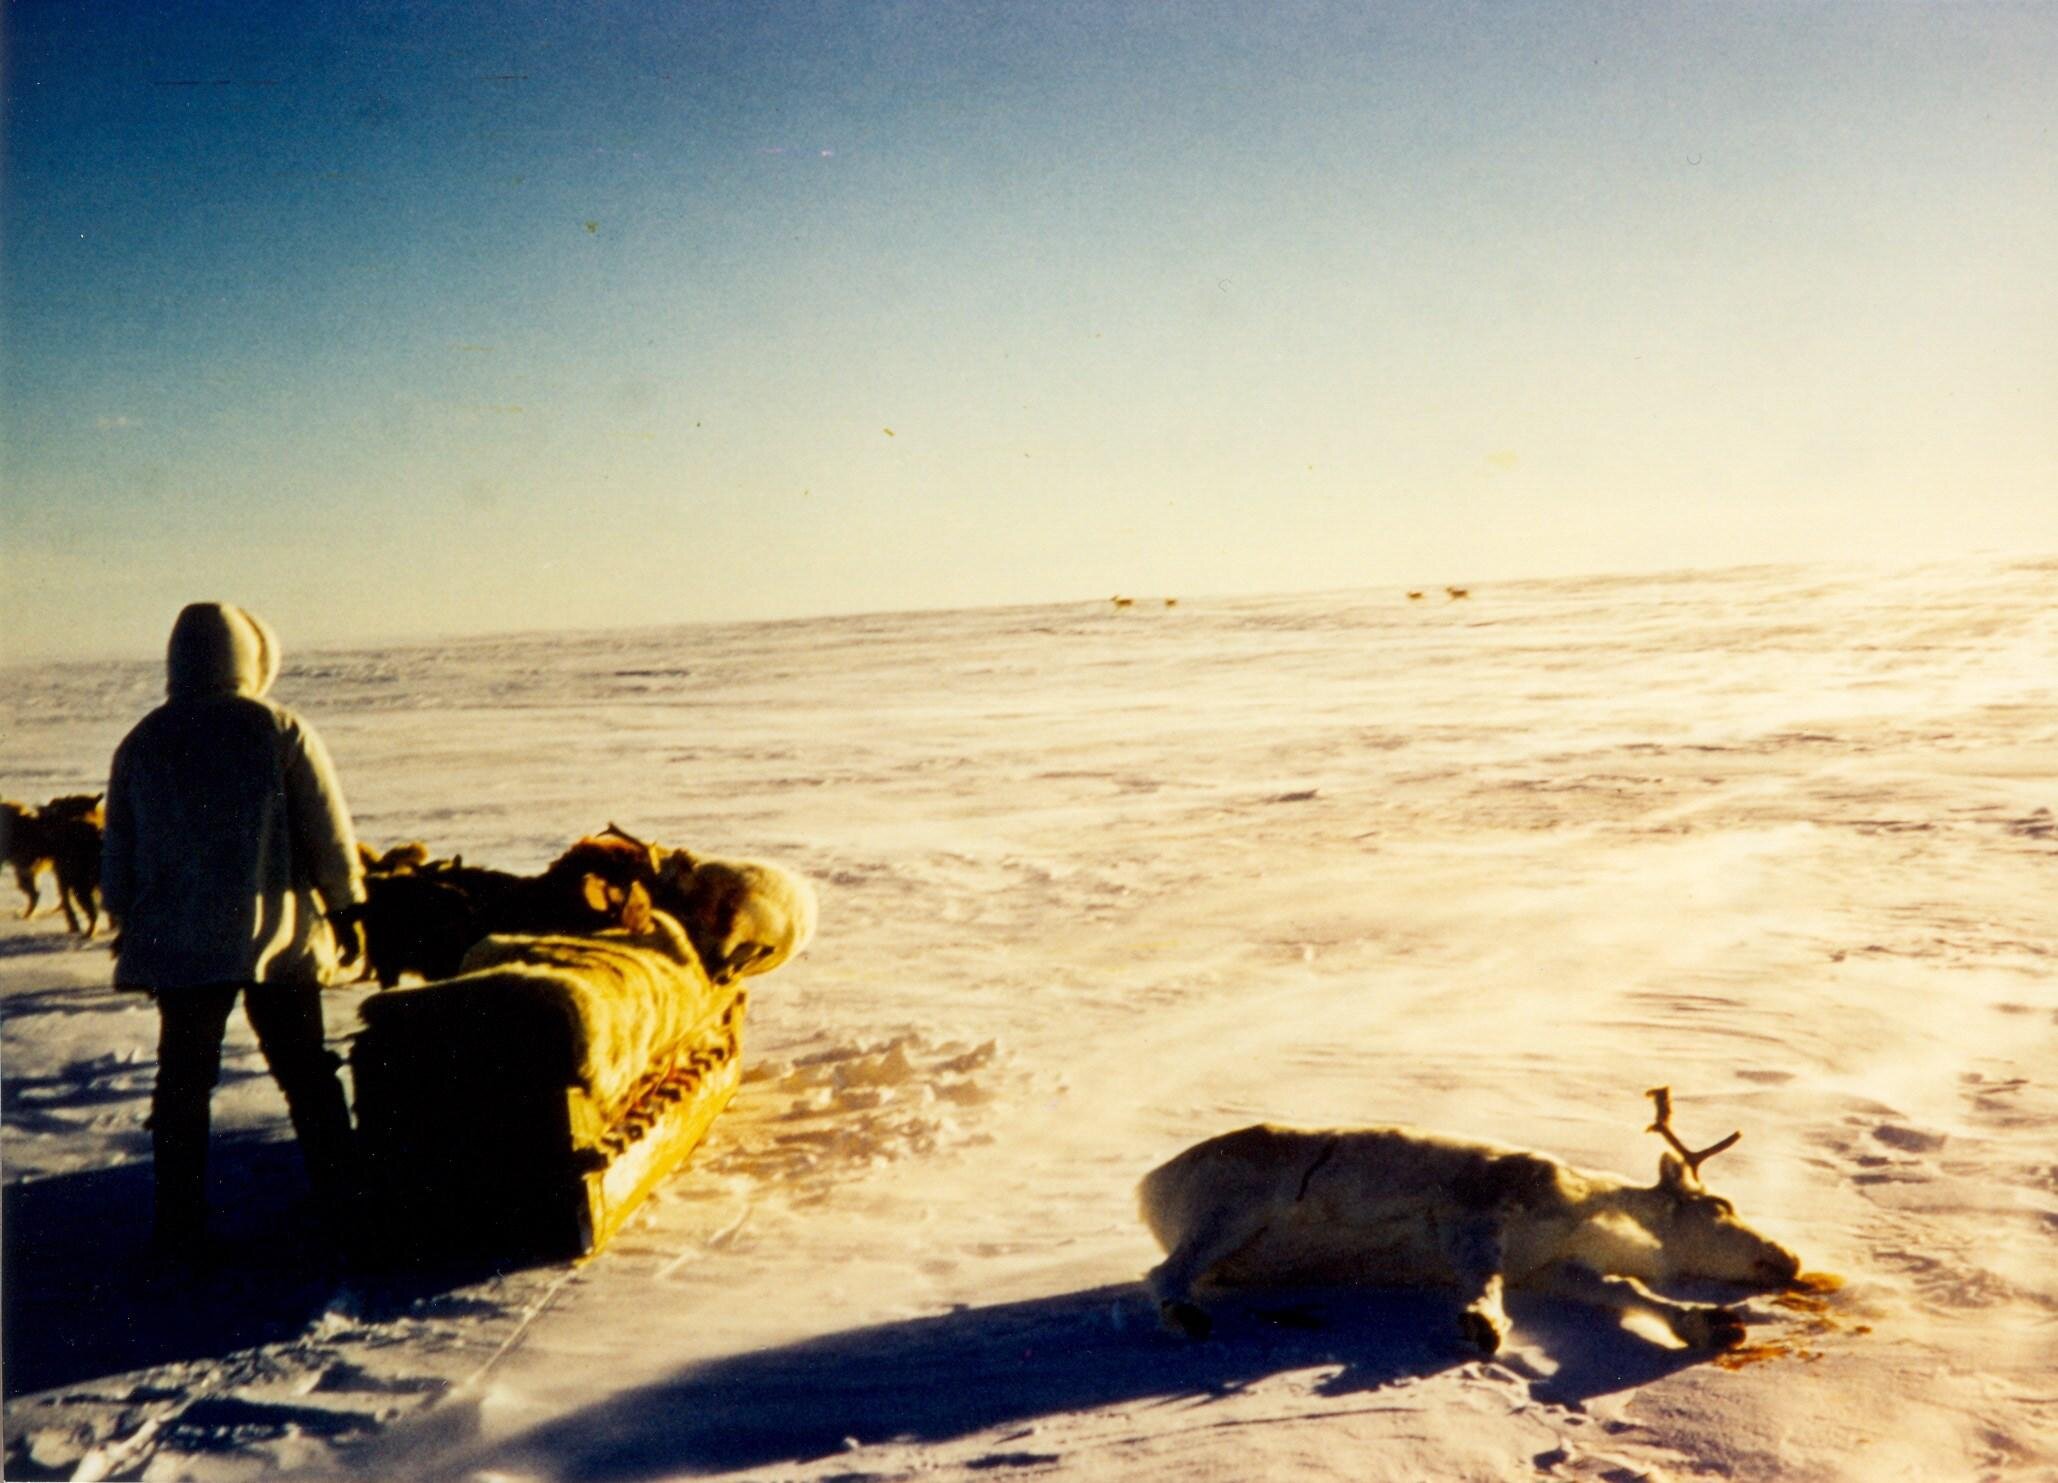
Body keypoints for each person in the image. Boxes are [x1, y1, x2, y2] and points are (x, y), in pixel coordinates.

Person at [102, 602, 368, 1261]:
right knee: (306, 1072)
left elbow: (119, 849)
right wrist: (348, 905)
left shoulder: (144, 739)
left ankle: (179, 1222)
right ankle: (346, 1202)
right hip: (271, 941)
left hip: (180, 946)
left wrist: (125, 917)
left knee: (184, 1083)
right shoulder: (279, 728)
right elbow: (327, 832)